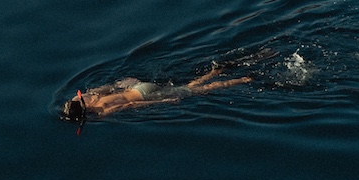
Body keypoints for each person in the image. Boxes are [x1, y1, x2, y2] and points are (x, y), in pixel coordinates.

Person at [61, 65, 251, 122]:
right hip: (138, 87)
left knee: (196, 91)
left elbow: (131, 105)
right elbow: (109, 88)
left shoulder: (102, 112)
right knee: (190, 86)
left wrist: (164, 102)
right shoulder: (88, 97)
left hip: (145, 96)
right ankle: (213, 72)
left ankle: (241, 80)